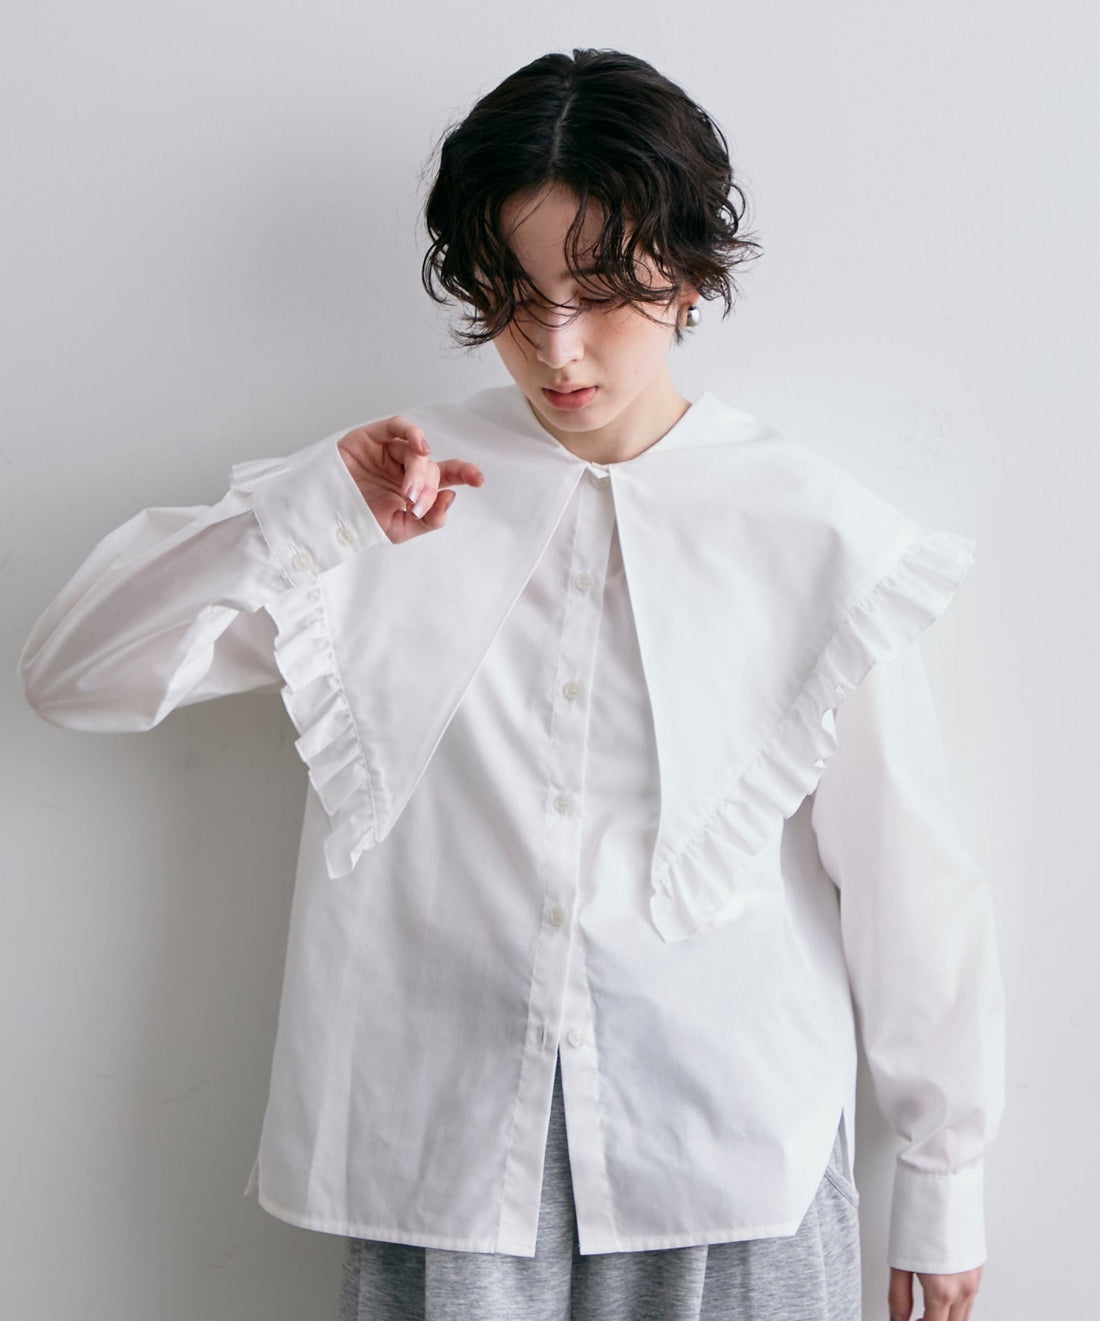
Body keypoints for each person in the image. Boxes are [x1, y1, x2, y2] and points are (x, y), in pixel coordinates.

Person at [18, 47, 1004, 1321]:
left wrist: (941, 1173)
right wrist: (301, 514)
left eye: (601, 292)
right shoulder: (382, 496)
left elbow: (905, 875)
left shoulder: (810, 530)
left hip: (731, 1155)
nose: (555, 346)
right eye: (514, 295)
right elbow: (72, 675)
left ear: (687, 276)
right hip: (443, 1173)